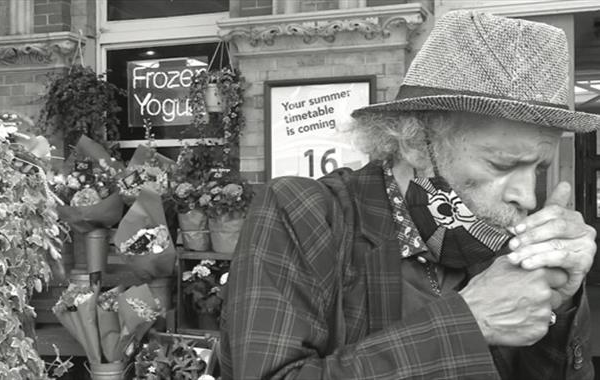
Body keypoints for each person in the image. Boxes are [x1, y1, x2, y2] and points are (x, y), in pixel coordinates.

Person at [220, 10, 598, 380]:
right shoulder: (305, 213)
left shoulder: (497, 238)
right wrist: (470, 322)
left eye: (540, 169)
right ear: (416, 143)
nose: (527, 198)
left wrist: (558, 305)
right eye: (501, 165)